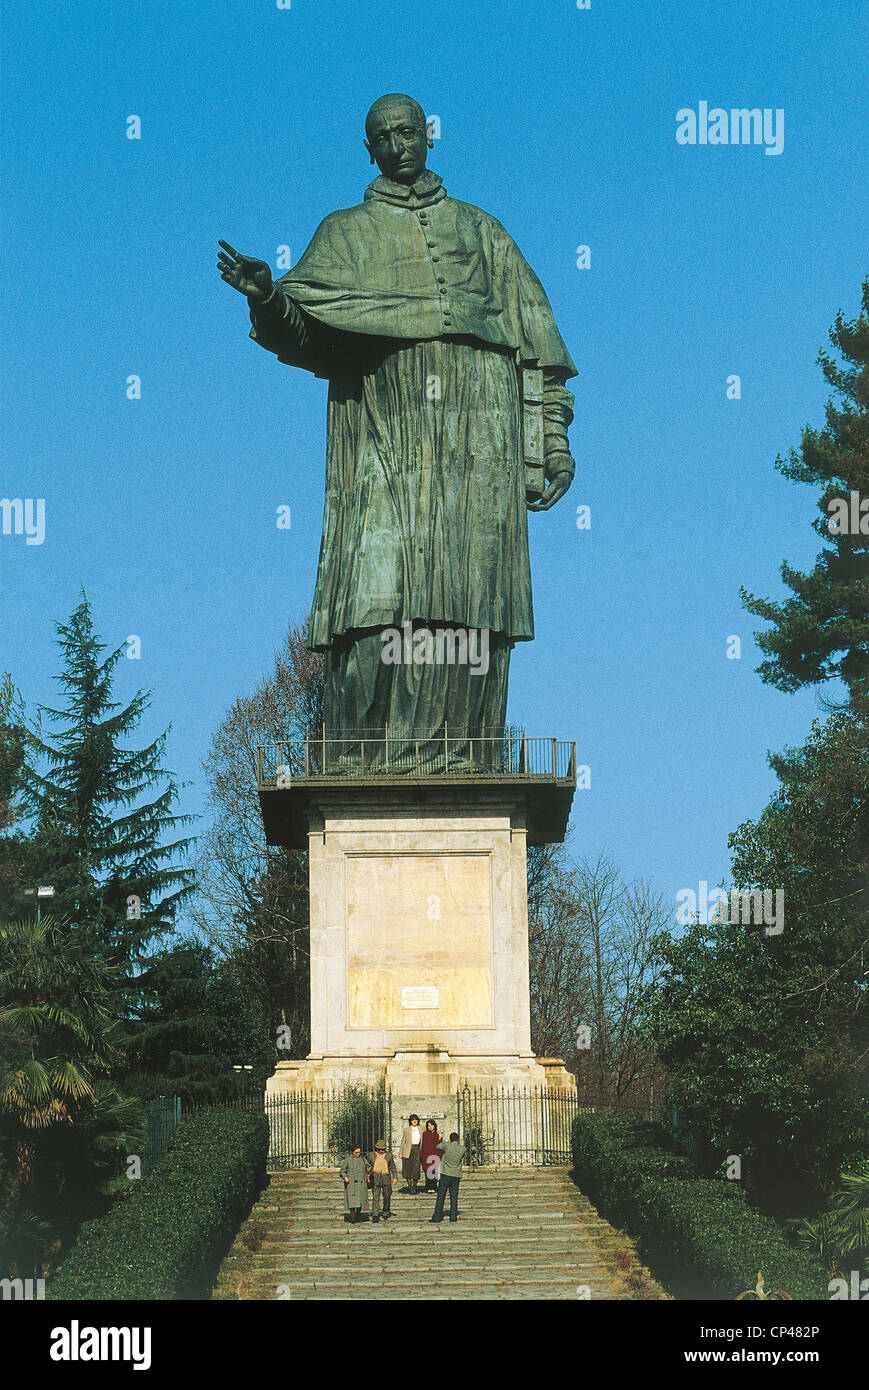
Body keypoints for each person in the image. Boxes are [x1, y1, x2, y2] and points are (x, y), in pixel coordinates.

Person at [218, 93, 576, 750]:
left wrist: (551, 442)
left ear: (429, 136)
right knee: (379, 590)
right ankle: (374, 752)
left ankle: (463, 749)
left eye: (408, 131)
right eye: (383, 136)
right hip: (387, 428)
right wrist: (268, 298)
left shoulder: (483, 232)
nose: (397, 144)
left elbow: (540, 350)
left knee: (474, 594)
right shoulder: (345, 233)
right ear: (369, 149)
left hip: (481, 434)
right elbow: (306, 332)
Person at [430, 1132, 466, 1224]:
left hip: (446, 1173)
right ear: (458, 1139)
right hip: (456, 1175)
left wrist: (445, 1141)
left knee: (441, 1196)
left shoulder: (447, 1146)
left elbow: (438, 1146)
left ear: (450, 1139)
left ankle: (437, 1216)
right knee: (454, 1197)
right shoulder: (463, 1149)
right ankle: (453, 1217)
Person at [366, 1137, 398, 1223]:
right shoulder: (371, 1155)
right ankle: (375, 1214)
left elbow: (393, 1167)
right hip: (375, 1178)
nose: (381, 1151)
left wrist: (395, 1177)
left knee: (387, 1196)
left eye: (383, 1149)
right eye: (379, 1149)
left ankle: (386, 1211)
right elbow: (367, 1166)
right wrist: (368, 1174)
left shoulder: (389, 1155)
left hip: (386, 1178)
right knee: (375, 1197)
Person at [340, 1143, 370, 1224]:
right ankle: (353, 1218)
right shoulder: (348, 1160)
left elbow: (368, 1167)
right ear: (352, 1152)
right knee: (352, 1202)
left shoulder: (363, 1159)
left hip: (361, 1183)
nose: (358, 1154)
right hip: (351, 1184)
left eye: (359, 1152)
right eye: (357, 1152)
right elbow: (342, 1170)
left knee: (360, 1201)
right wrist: (345, 1177)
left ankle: (358, 1215)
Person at [399, 1113, 423, 1194]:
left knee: (416, 1170)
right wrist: (400, 1152)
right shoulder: (406, 1130)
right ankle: (410, 1189)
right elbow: (403, 1141)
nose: (414, 1121)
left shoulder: (421, 1128)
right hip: (408, 1150)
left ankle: (414, 1187)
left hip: (417, 1149)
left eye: (416, 1119)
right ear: (410, 1121)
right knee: (408, 1170)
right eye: (412, 1119)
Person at [420, 1119, 442, 1194]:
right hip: (426, 1155)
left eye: (431, 1125)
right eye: (428, 1125)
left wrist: (440, 1139)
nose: (430, 1127)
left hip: (435, 1156)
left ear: (434, 1126)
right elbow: (423, 1146)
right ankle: (429, 1187)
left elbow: (440, 1146)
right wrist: (422, 1156)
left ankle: (434, 1187)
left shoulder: (437, 1135)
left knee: (434, 1172)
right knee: (428, 1172)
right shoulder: (425, 1134)